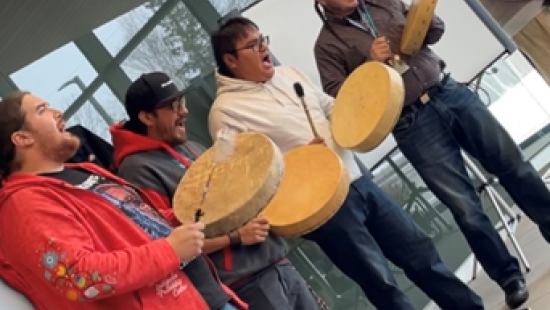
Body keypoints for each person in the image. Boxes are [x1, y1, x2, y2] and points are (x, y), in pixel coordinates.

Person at [207, 16, 488, 310]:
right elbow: (245, 181)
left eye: (263, 39)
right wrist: (298, 163)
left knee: (420, 252)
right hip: (321, 209)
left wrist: (369, 100)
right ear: (231, 60)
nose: (264, 47)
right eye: (254, 45)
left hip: (355, 178)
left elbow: (331, 107)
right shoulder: (225, 113)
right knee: (381, 281)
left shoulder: (287, 73)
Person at [311, 0, 549, 308]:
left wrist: (422, 21)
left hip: (449, 91)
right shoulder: (326, 45)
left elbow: (435, 32)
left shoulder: (384, 2)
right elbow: (341, 100)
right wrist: (370, 63)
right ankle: (508, 277)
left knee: (514, 166)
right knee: (464, 205)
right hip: (410, 122)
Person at [0, 91, 245, 310]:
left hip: (206, 296)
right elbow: (80, 278)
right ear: (21, 138)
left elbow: (141, 223)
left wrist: (192, 212)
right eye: (42, 110)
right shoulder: (24, 203)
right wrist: (171, 250)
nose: (57, 112)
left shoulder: (83, 170)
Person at [109, 72, 321, 310]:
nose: (184, 111)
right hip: (246, 283)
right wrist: (234, 237)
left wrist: (294, 163)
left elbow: (245, 191)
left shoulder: (193, 147)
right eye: (173, 105)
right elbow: (168, 243)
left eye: (182, 102)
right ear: (147, 117)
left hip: (277, 261)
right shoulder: (137, 170)